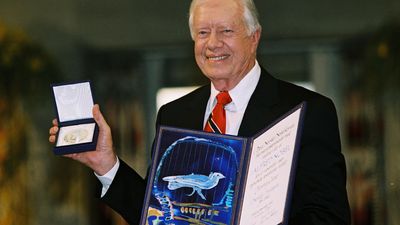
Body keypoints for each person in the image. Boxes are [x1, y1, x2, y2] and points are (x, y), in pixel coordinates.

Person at [49, 0, 351, 224]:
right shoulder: (174, 114)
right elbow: (160, 212)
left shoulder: (308, 111)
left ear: (254, 36)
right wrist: (107, 164)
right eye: (203, 32)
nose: (213, 44)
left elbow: (329, 217)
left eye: (226, 31)